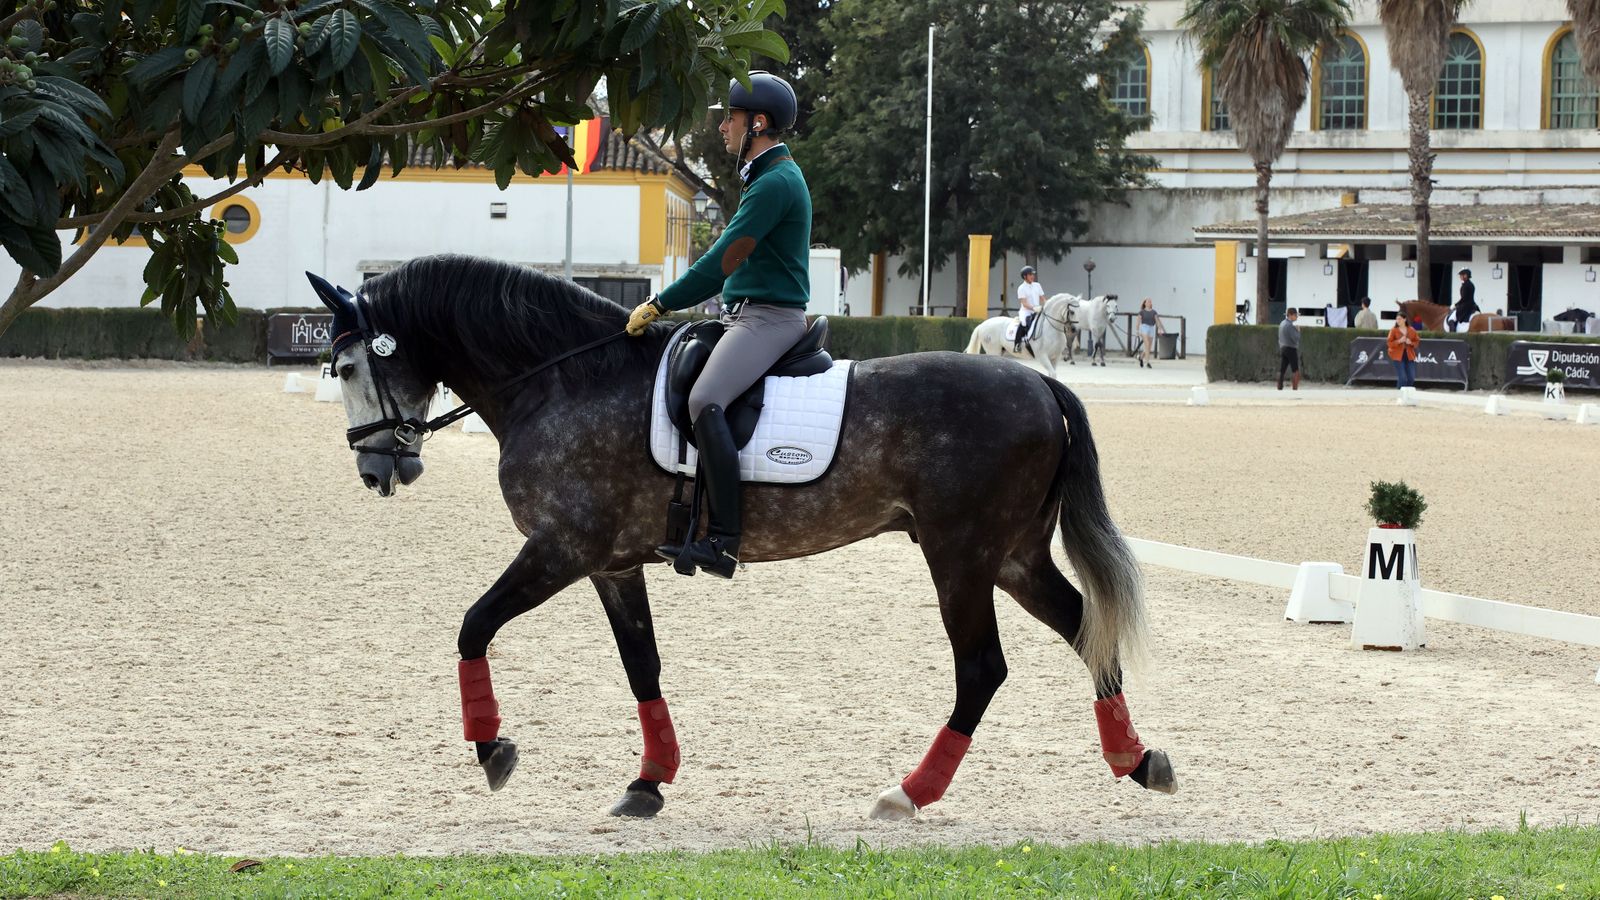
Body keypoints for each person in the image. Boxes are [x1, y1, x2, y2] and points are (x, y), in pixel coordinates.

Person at [624, 71, 808, 579]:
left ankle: (724, 540)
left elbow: (723, 260)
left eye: (731, 117)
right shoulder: (765, 177)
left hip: (769, 318)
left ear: (759, 123)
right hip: (745, 314)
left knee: (704, 399)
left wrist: (660, 304)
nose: (724, 125)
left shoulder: (775, 182)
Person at [1387, 309, 1420, 389]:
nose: (1398, 321)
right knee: (1402, 378)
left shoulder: (1412, 330)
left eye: (1400, 319)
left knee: (1411, 378)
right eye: (1397, 319)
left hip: (1409, 355)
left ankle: (1407, 394)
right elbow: (1389, 343)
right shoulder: (1393, 330)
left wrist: (1410, 343)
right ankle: (1399, 394)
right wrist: (1399, 341)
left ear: (1405, 319)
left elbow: (1417, 342)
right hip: (1397, 356)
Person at [1014, 266, 1044, 352]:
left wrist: (1049, 304)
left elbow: (1043, 299)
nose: (1032, 276)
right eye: (1030, 274)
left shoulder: (1037, 285)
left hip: (1037, 310)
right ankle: (1017, 344)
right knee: (1024, 323)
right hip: (1026, 311)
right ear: (1024, 276)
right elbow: (1024, 303)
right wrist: (1034, 308)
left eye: (1033, 274)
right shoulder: (1021, 288)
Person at [1277, 308, 1301, 390]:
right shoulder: (1290, 326)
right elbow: (1296, 338)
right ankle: (1295, 387)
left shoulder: (1282, 323)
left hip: (1283, 347)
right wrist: (1298, 331)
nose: (1296, 317)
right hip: (1291, 348)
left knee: (1282, 369)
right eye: (1295, 315)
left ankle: (1279, 386)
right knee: (1295, 370)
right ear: (1290, 315)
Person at [1136, 298, 1164, 368]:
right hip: (1144, 327)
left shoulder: (1154, 312)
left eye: (1150, 302)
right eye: (1147, 302)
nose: (1149, 303)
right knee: (1147, 344)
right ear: (1145, 303)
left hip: (1151, 328)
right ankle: (1147, 362)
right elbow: (1138, 322)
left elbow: (1157, 321)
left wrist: (1160, 329)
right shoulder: (1141, 312)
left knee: (1148, 347)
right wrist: (1137, 330)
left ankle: (1141, 357)